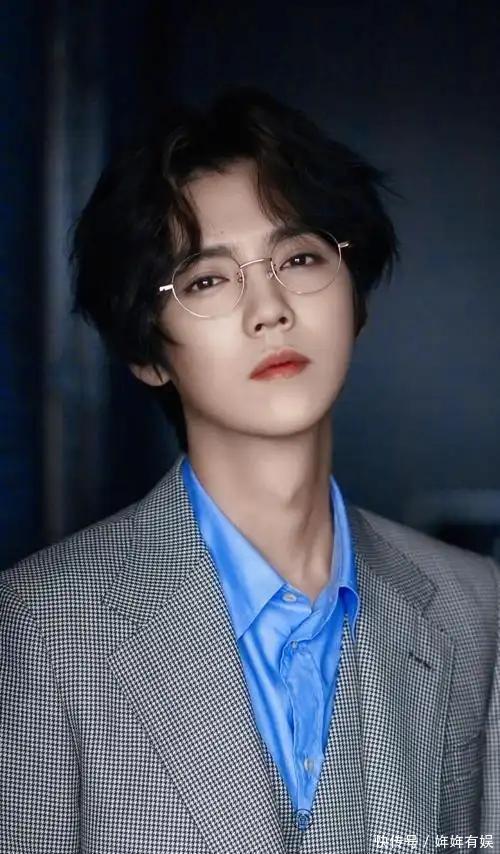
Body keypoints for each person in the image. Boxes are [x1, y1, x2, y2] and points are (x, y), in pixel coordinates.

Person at [1, 86, 498, 854]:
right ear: (147, 353)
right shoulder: (44, 625)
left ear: (355, 297)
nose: (270, 309)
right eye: (207, 279)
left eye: (300, 258)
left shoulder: (474, 607)